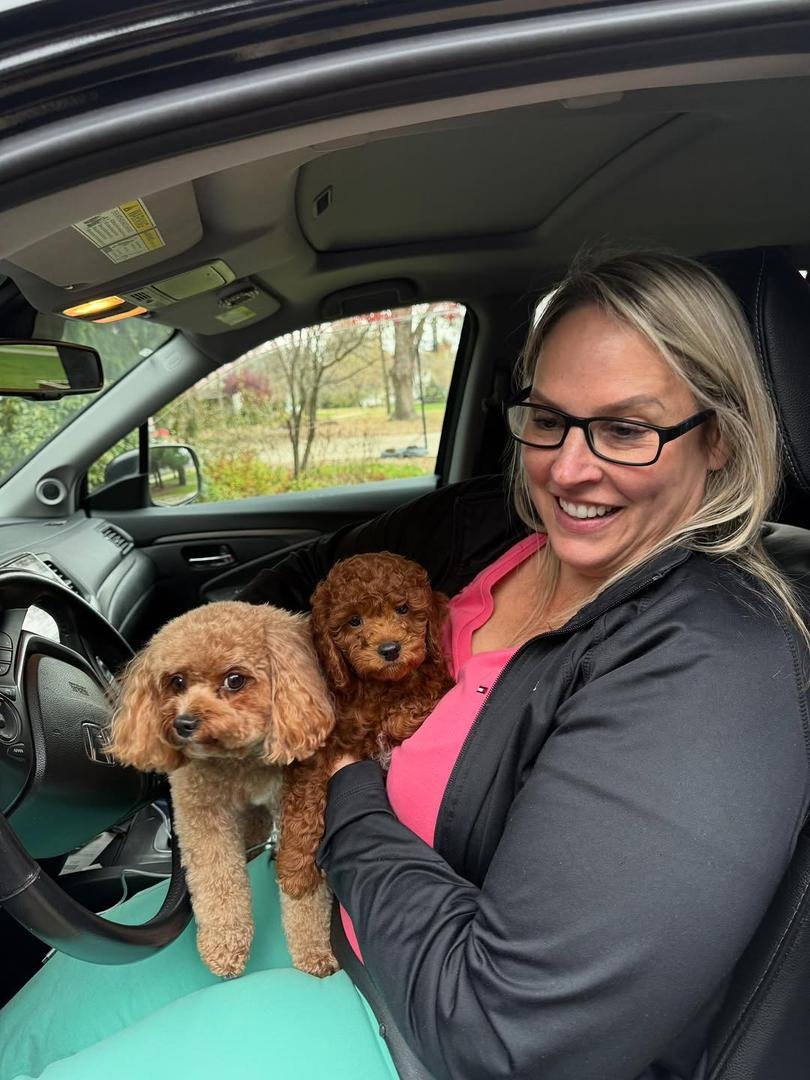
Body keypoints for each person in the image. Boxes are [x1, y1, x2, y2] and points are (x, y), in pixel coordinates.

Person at [2, 249, 808, 1080]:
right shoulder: (490, 527)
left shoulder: (711, 659)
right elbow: (306, 580)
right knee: (30, 1027)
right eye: (547, 418)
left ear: (717, 439)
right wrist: (214, 667)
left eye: (627, 430)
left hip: (417, 1030)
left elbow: (510, 1036)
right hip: (329, 894)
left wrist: (345, 779)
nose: (569, 469)